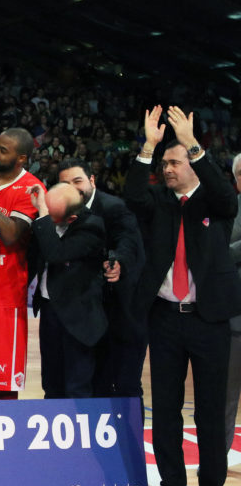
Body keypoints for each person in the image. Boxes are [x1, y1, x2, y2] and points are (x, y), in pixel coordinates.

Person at [125, 105, 241, 486]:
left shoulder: (215, 202)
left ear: (192, 164)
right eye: (165, 164)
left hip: (209, 318)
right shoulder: (157, 201)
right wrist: (149, 146)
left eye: (174, 163)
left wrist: (192, 144)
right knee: (166, 407)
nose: (167, 169)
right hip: (165, 317)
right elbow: (133, 195)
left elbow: (227, 195)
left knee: (210, 409)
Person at [57, 158, 146, 398]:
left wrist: (118, 261)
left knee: (123, 383)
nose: (73, 188)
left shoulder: (113, 207)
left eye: (78, 181)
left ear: (92, 180)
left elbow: (127, 240)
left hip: (119, 309)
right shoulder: (60, 211)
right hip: (83, 312)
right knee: (86, 383)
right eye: (66, 184)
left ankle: (128, 425)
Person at [0, 128, 45, 399]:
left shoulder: (31, 188)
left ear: (21, 158)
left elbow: (11, 235)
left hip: (6, 295)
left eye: (3, 150)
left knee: (5, 382)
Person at [27, 182, 107, 398]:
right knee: (51, 383)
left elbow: (55, 253)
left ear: (70, 218)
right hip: (49, 310)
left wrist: (43, 216)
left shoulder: (92, 227)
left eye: (49, 214)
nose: (43, 214)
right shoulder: (47, 217)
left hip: (78, 317)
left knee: (76, 387)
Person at [227, 153, 241, 455]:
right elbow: (217, 252)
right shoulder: (227, 208)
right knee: (225, 396)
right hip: (234, 319)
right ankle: (218, 459)